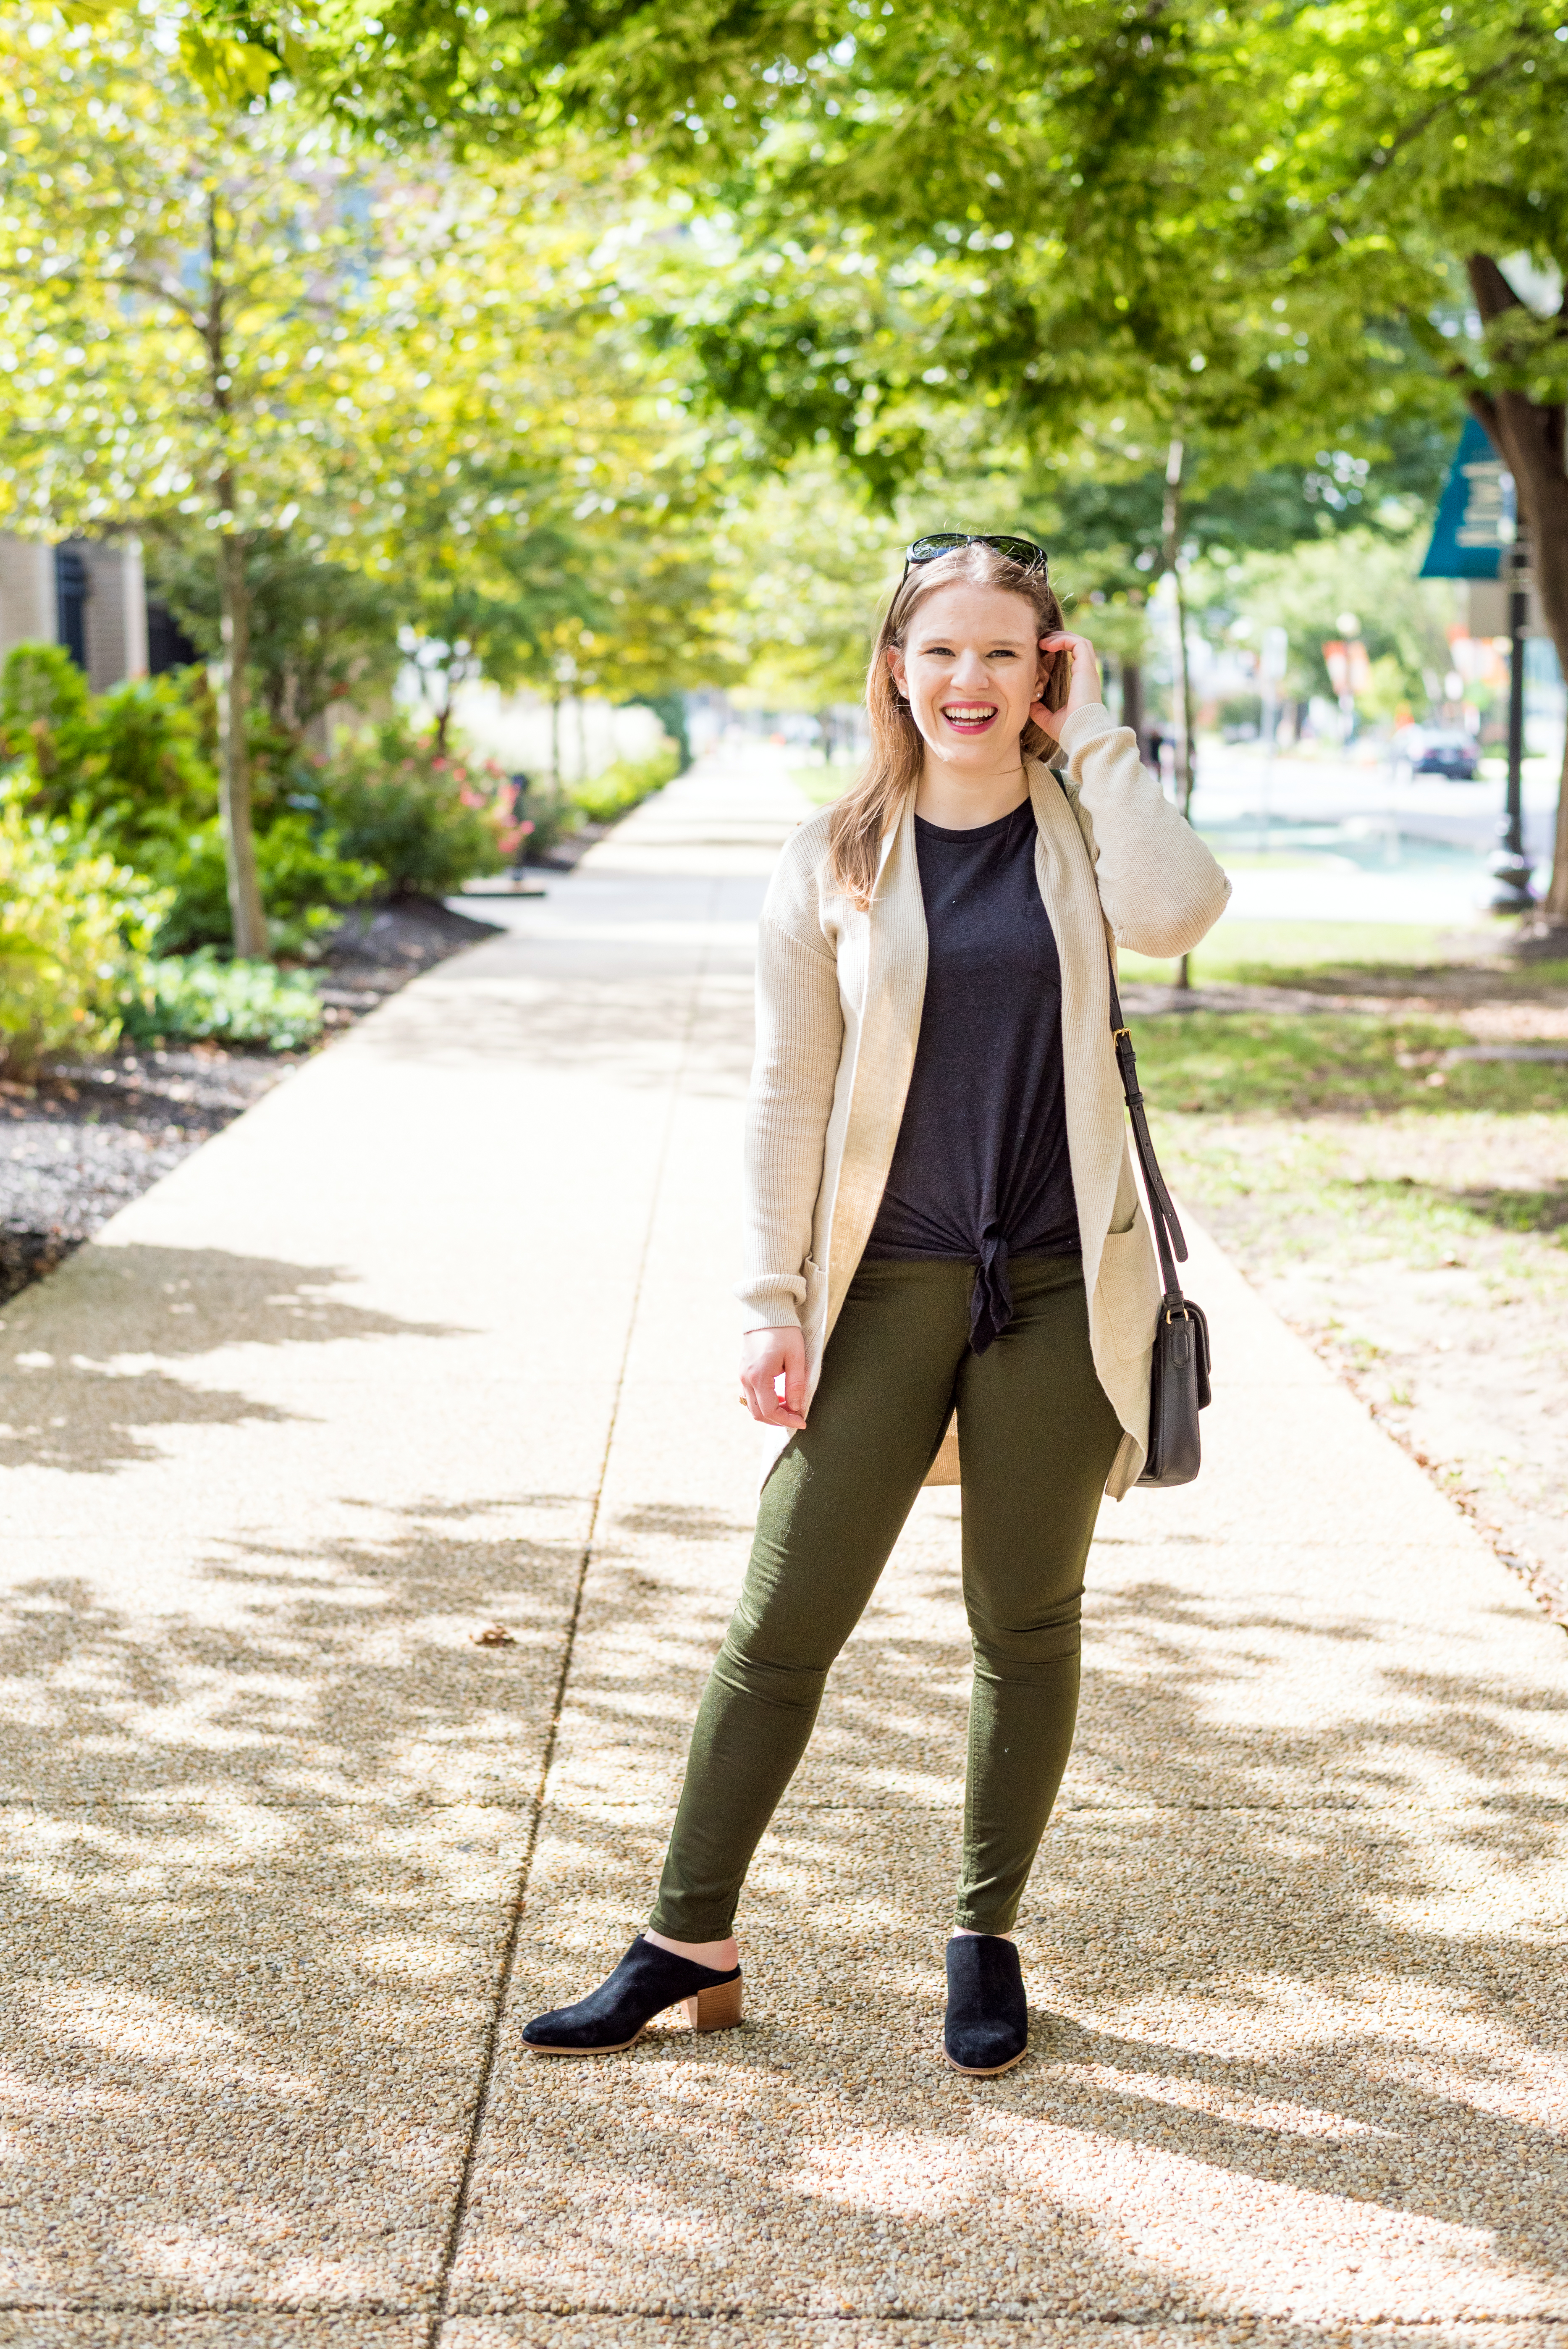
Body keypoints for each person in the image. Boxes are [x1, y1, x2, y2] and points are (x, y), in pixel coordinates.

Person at [522, 532, 1230, 2074]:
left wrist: (1093, 734)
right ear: (895, 667)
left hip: (1059, 1283)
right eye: (942, 651)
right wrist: (768, 1298)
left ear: (1046, 665)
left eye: (1005, 652)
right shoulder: (834, 853)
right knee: (780, 1620)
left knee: (1023, 1623)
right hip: (885, 1286)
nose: (968, 680)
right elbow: (788, 1091)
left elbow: (1182, 915)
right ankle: (683, 1935)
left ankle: (985, 1933)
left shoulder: (1090, 824)